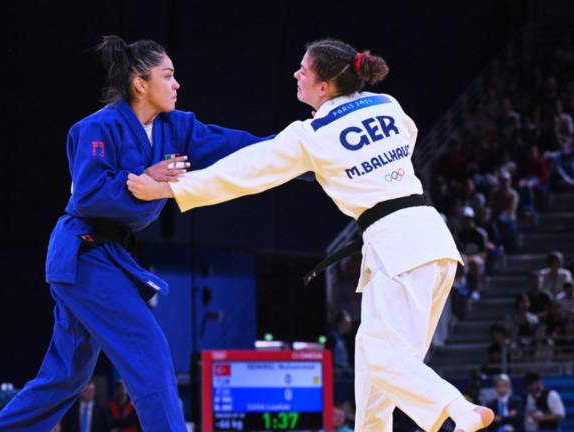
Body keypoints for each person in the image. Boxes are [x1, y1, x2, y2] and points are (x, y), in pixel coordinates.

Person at [128, 38, 493, 432]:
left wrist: (169, 189)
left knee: (382, 358)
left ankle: (459, 409)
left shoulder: (312, 135)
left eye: (304, 70)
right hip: (430, 236)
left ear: (324, 87)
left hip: (398, 245)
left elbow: (244, 173)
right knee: (375, 372)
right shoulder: (388, 106)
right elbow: (405, 141)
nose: (296, 74)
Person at [0, 36, 266, 432]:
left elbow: (236, 147)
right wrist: (142, 179)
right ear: (139, 83)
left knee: (64, 378)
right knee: (148, 352)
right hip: (83, 253)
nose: (177, 84)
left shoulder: (176, 128)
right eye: (167, 75)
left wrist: (302, 154)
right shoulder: (97, 128)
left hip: (106, 257)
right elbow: (90, 195)